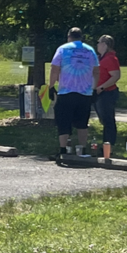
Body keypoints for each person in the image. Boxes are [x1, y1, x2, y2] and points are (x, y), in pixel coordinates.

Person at [48, 27, 100, 158]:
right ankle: (82, 149)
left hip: (66, 91)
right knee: (83, 122)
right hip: (85, 92)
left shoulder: (63, 49)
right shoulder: (90, 50)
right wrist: (94, 89)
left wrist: (51, 86)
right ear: (81, 37)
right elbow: (96, 71)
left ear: (69, 37)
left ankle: (63, 149)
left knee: (63, 121)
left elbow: (54, 69)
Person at [94, 35, 121, 158]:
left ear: (105, 44)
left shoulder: (110, 58)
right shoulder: (101, 58)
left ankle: (108, 146)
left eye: (99, 43)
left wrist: (102, 87)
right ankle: (106, 146)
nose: (97, 45)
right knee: (104, 120)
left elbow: (115, 76)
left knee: (108, 120)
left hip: (107, 93)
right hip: (100, 93)